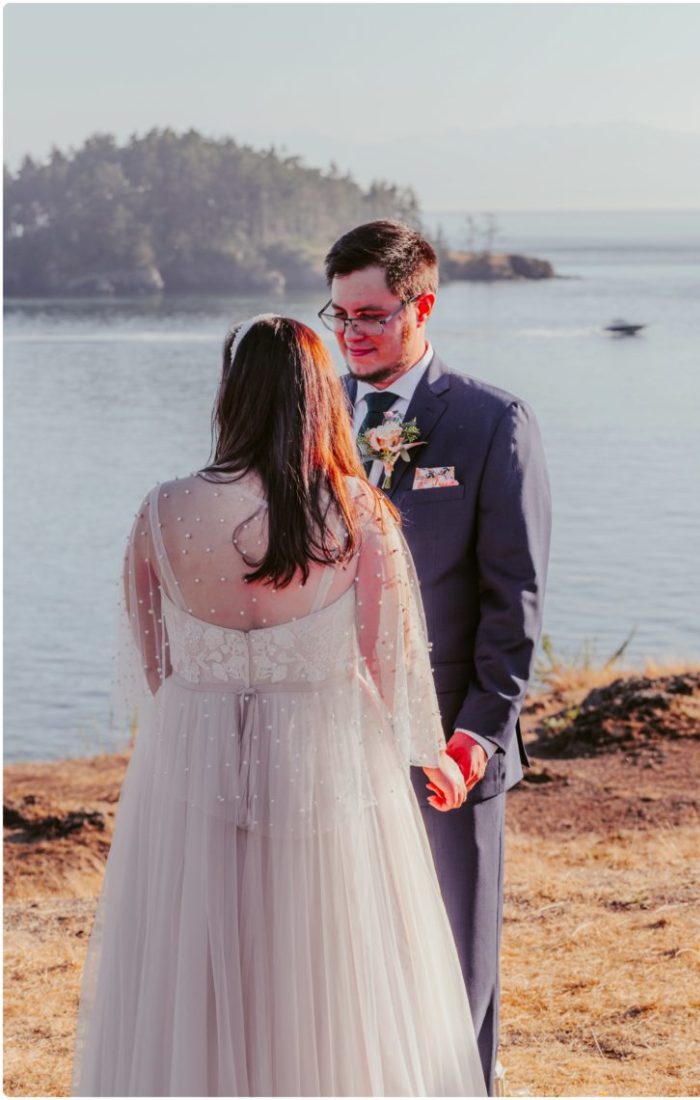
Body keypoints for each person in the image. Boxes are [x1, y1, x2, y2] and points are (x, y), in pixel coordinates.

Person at [71, 314, 486, 1097]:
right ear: (318, 398)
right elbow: (394, 670)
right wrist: (429, 755)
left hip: (191, 759)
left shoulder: (161, 511)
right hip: (324, 757)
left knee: (190, 968)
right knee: (329, 972)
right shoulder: (357, 512)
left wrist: (219, 697)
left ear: (231, 399)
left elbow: (152, 666)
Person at [321, 221, 552, 1095]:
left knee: (456, 970)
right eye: (340, 315)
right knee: (346, 957)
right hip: (330, 737)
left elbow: (513, 598)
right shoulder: (318, 420)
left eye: (372, 314)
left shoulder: (493, 422)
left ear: (422, 306)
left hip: (445, 746)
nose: (352, 333)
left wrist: (478, 737)